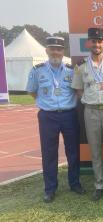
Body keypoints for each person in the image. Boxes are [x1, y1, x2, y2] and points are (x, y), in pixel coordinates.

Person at [26, 36, 84, 203]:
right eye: (52, 48)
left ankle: (74, 183)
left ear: (63, 51)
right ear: (46, 50)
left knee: (73, 151)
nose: (55, 52)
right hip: (48, 116)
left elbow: (77, 90)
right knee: (49, 153)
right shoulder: (37, 70)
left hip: (69, 114)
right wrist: (46, 103)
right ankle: (50, 188)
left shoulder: (72, 70)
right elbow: (32, 91)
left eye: (59, 49)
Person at [72, 28, 103, 201]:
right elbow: (78, 89)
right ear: (88, 43)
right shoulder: (81, 67)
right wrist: (89, 99)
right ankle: (100, 184)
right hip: (91, 111)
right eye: (93, 41)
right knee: (94, 149)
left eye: (99, 41)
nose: (96, 44)